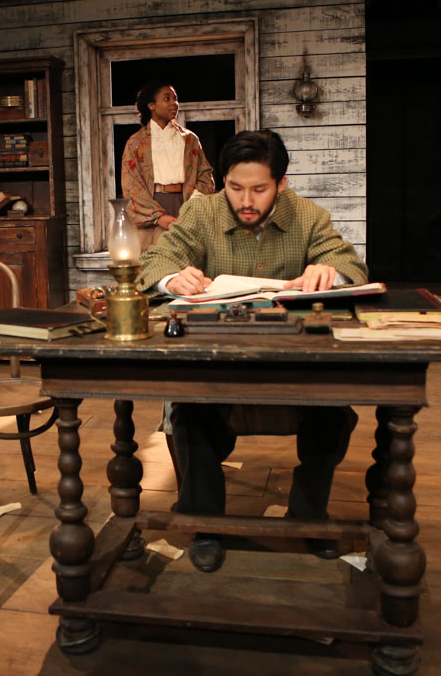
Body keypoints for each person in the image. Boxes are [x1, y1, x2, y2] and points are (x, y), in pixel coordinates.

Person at [138, 129, 369, 573]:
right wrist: (172, 279)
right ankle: (206, 525)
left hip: (291, 364)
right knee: (191, 415)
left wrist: (329, 271)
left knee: (335, 415)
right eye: (235, 187)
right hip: (215, 362)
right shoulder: (202, 211)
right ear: (223, 180)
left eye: (259, 189)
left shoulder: (307, 215)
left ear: (281, 183)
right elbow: (154, 262)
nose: (246, 201)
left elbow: (352, 266)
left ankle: (307, 516)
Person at [121, 81, 215, 251]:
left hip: (185, 203)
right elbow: (131, 185)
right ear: (151, 105)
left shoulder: (189, 139)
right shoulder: (136, 142)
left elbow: (205, 176)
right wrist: (158, 216)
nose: (174, 103)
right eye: (167, 98)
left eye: (175, 98)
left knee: (187, 259)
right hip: (152, 207)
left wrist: (189, 209)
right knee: (152, 260)